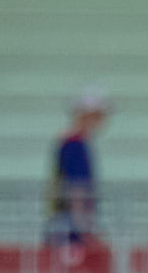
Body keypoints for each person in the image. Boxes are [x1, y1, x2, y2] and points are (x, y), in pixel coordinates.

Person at [46, 90, 109, 246]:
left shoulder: (72, 143)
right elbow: (77, 191)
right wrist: (85, 231)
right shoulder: (74, 145)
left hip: (65, 226)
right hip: (69, 231)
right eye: (98, 116)